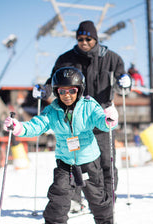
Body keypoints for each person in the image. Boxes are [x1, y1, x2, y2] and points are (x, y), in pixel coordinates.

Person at [4, 67, 119, 224]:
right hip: (66, 162)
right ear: (57, 92)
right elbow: (36, 125)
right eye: (62, 91)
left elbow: (100, 120)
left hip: (88, 160)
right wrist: (18, 128)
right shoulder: (52, 111)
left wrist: (109, 119)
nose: (67, 95)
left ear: (79, 90)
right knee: (58, 197)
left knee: (97, 197)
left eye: (71, 90)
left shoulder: (89, 105)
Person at [44, 20, 132, 212]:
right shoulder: (65, 59)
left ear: (95, 38)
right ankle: (75, 199)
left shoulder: (111, 58)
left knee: (106, 160)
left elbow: (121, 84)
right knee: (73, 160)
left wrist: (125, 83)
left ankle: (108, 198)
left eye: (88, 39)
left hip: (100, 117)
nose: (83, 42)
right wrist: (43, 90)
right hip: (74, 121)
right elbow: (53, 83)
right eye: (80, 39)